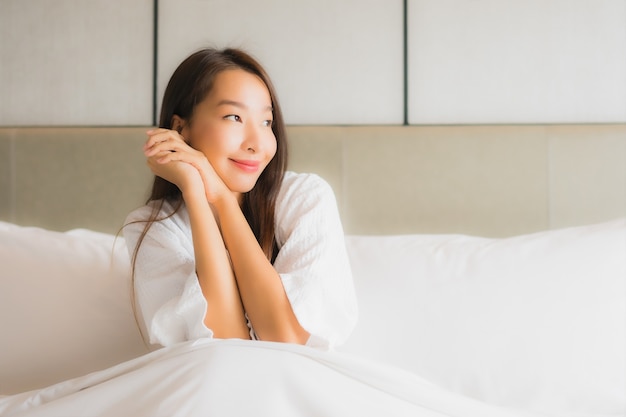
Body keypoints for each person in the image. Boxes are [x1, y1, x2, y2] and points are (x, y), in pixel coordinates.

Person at [123, 47, 358, 350]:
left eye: (266, 122)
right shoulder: (153, 226)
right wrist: (195, 192)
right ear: (180, 128)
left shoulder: (305, 198)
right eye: (234, 117)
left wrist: (221, 198)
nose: (257, 144)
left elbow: (286, 338)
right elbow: (225, 347)